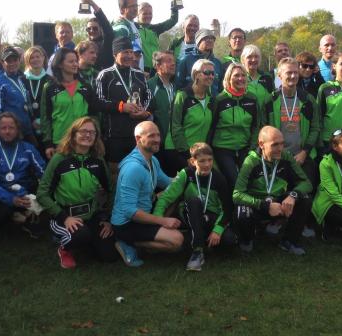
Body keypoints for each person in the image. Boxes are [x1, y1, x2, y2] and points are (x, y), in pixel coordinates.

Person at [37, 117, 116, 269]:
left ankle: (87, 241)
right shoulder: (59, 159)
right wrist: (64, 217)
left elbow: (111, 190)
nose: (88, 135)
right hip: (65, 216)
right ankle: (64, 248)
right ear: (73, 134)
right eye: (84, 131)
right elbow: (42, 194)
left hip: (91, 216)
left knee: (109, 255)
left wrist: (108, 219)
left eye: (92, 132)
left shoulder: (98, 160)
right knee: (81, 235)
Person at [111, 121, 183, 267]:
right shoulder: (133, 169)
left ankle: (151, 239)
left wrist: (188, 175)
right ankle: (126, 242)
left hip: (144, 212)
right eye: (151, 136)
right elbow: (130, 211)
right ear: (138, 139)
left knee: (176, 194)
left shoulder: (152, 160)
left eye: (158, 135)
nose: (157, 139)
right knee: (177, 240)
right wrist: (162, 221)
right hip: (127, 223)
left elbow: (168, 183)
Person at [154, 142, 236, 271]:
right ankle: (197, 251)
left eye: (210, 160)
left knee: (229, 240)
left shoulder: (218, 178)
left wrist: (217, 230)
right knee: (194, 201)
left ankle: (200, 241)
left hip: (211, 216)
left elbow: (227, 208)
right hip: (190, 212)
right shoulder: (186, 174)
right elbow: (166, 198)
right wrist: (157, 219)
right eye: (202, 161)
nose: (207, 164)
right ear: (192, 161)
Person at [233, 126, 312, 255]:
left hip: (279, 202)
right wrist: (265, 205)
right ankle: (247, 240)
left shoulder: (286, 156)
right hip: (258, 203)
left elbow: (306, 183)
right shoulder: (251, 161)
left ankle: (289, 241)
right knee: (242, 211)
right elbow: (237, 194)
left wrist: (293, 195)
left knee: (305, 199)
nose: (280, 148)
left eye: (282, 143)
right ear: (261, 144)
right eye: (275, 145)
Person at [0, 112, 46, 237]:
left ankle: (27, 217)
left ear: (17, 129)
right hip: (2, 194)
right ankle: (18, 217)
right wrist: (12, 199)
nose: (7, 131)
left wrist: (41, 194)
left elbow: (43, 173)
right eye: (3, 128)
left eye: (11, 128)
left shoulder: (28, 149)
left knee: (42, 198)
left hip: (25, 192)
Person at [209, 63, 260, 220]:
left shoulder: (252, 99)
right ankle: (232, 217)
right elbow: (211, 126)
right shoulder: (219, 99)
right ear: (228, 78)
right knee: (234, 179)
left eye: (243, 75)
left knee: (249, 179)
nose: (240, 78)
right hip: (223, 147)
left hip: (245, 147)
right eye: (236, 75)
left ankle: (248, 216)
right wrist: (208, 151)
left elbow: (256, 125)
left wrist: (252, 148)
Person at [95, 38, 151, 175]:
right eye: (125, 52)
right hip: (115, 136)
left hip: (138, 135)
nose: (130, 56)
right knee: (116, 172)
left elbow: (149, 97)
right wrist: (121, 107)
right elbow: (98, 102)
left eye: (131, 52)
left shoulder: (139, 75)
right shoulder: (105, 75)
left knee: (139, 170)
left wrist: (144, 111)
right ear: (115, 54)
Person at [264, 58, 320, 192]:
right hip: (278, 157)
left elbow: (315, 128)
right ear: (279, 75)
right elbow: (264, 129)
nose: (293, 76)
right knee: (281, 195)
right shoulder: (270, 100)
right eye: (289, 73)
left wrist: (305, 152)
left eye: (295, 72)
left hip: (302, 157)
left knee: (305, 195)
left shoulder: (307, 99)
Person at [41, 48, 99, 159]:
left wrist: (95, 137)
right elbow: (45, 118)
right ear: (60, 64)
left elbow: (94, 115)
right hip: (60, 141)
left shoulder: (86, 86)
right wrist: (48, 144)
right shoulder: (49, 87)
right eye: (71, 61)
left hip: (83, 141)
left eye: (76, 61)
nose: (75, 64)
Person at [170, 59, 216, 169]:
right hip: (183, 154)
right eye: (206, 72)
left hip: (202, 155)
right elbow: (176, 126)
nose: (210, 76)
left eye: (213, 73)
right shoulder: (182, 96)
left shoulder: (211, 99)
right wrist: (187, 154)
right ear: (196, 75)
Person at [0, 47, 35, 142]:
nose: (12, 64)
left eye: (15, 60)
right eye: (8, 61)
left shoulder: (22, 78)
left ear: (19, 61)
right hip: (12, 132)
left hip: (27, 129)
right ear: (2, 63)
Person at [147, 52, 181, 176]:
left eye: (174, 61)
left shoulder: (174, 86)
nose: (173, 64)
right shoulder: (150, 85)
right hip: (157, 142)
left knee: (172, 176)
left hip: (173, 142)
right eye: (168, 61)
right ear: (158, 66)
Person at [175, 29, 223, 96]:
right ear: (199, 41)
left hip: (213, 101)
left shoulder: (217, 63)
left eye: (212, 38)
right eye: (206, 38)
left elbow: (221, 87)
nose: (210, 40)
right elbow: (178, 84)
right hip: (192, 100)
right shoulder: (187, 60)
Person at [136, 1, 179, 76]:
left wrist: (174, 8)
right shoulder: (133, 27)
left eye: (150, 14)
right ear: (138, 14)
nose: (148, 16)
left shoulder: (155, 28)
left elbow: (173, 20)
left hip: (156, 68)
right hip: (141, 68)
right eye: (145, 14)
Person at [112, 0, 145, 71]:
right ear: (122, 10)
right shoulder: (122, 28)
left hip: (136, 71)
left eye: (136, 5)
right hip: (128, 73)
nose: (135, 9)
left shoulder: (132, 24)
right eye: (132, 6)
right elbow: (123, 55)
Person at [22, 46, 49, 143]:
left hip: (46, 126)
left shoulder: (50, 79)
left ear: (43, 58)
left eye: (38, 56)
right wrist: (31, 120)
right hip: (27, 127)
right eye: (32, 57)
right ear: (27, 60)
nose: (35, 59)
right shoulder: (22, 79)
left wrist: (44, 121)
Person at [241, 44, 273, 111]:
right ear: (243, 59)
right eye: (249, 57)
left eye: (256, 56)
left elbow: (272, 101)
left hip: (265, 117)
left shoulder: (267, 78)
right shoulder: (239, 79)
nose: (253, 60)